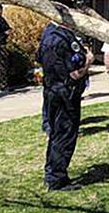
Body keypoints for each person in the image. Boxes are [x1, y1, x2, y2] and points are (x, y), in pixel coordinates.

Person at [38, 21, 89, 191]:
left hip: (52, 90)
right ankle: (56, 178)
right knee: (64, 134)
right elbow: (74, 73)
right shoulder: (62, 37)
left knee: (55, 133)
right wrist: (88, 61)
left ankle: (53, 172)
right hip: (65, 93)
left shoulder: (48, 33)